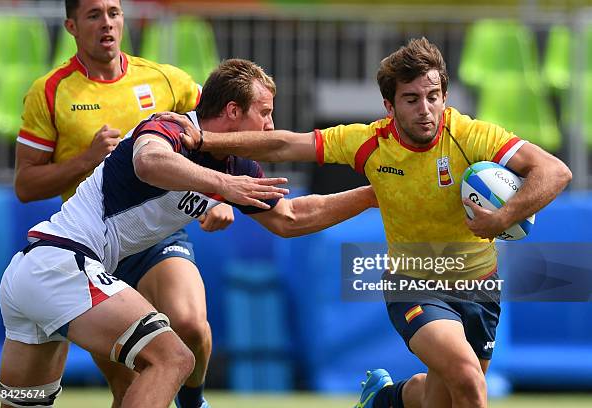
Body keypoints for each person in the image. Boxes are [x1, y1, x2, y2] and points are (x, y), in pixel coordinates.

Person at [160, 37, 572, 408]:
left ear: (445, 95)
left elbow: (555, 172)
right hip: (413, 282)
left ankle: (385, 398)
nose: (426, 110)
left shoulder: (471, 135)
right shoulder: (370, 142)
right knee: (466, 377)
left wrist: (503, 216)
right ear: (389, 107)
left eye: (433, 96)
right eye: (411, 99)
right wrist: (206, 139)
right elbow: (288, 143)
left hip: (478, 285)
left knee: (440, 396)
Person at [0, 56, 379, 407]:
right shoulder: (171, 126)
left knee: (24, 401)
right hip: (63, 264)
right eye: (264, 114)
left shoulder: (238, 165)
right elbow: (149, 161)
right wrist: (224, 186)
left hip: (35, 274)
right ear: (233, 111)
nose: (270, 127)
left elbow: (290, 217)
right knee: (173, 359)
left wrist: (369, 195)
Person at [13, 1, 231, 406]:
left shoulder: (167, 80)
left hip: (155, 237)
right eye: (94, 14)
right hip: (89, 248)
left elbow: (223, 134)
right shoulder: (50, 91)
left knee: (190, 326)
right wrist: (86, 159)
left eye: (114, 12)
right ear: (71, 26)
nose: (107, 23)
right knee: (132, 385)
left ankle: (194, 402)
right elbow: (25, 184)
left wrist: (219, 192)